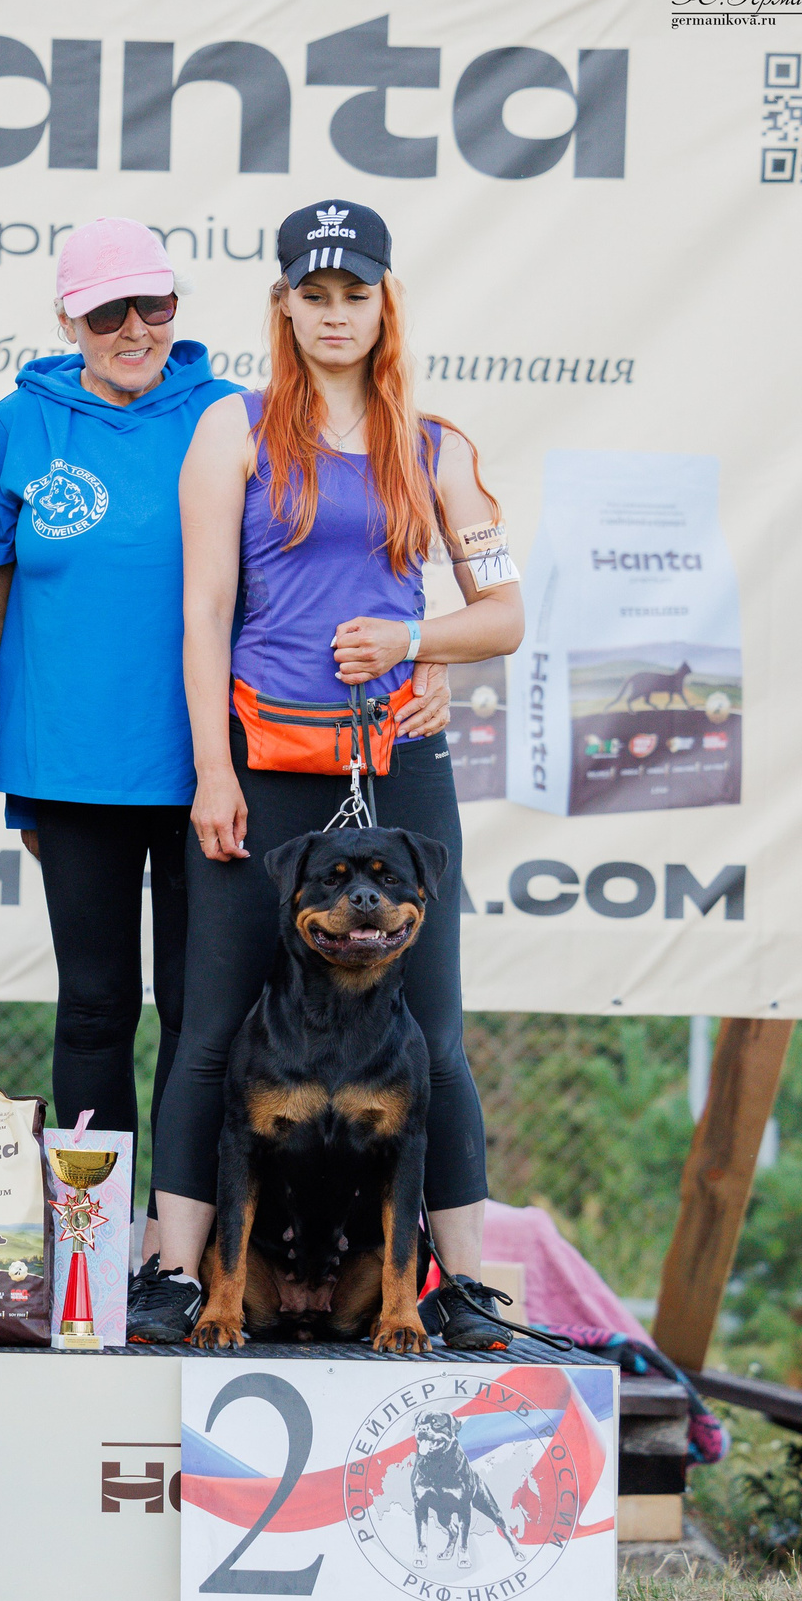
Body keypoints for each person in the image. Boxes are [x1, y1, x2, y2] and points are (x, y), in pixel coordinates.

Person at [133, 200, 522, 1348]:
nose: (335, 315)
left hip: (397, 764)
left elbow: (503, 614)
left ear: (383, 304)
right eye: (315, 295)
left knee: (435, 1033)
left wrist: (415, 640)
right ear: (285, 305)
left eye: (355, 295)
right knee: (211, 1026)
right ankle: (172, 1274)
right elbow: (203, 612)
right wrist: (213, 769)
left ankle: (463, 1289)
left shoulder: (438, 447)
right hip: (262, 763)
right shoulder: (233, 427)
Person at [0, 220, 242, 1227]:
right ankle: (90, 1243)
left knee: (196, 1012)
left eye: (154, 306)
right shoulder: (19, 423)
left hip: (203, 765)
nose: (135, 330)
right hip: (69, 764)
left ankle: (179, 1248)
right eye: (107, 313)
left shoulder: (225, 416)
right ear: (67, 321)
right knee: (93, 1005)